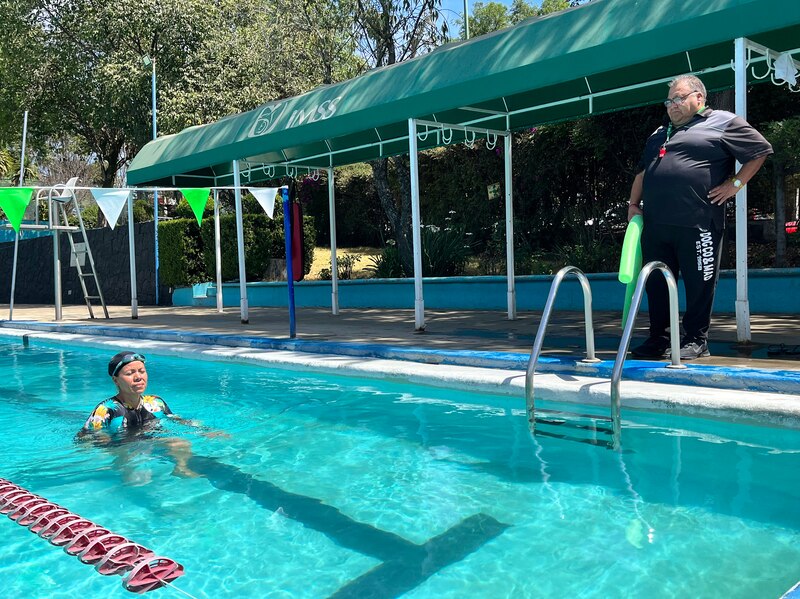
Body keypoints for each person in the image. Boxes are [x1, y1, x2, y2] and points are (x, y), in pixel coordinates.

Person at [628, 74, 773, 360]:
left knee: (699, 284)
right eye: (669, 100)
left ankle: (696, 340)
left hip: (698, 223)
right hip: (656, 225)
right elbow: (643, 171)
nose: (673, 105)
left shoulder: (723, 122)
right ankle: (659, 339)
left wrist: (734, 185)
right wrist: (633, 203)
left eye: (679, 98)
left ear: (699, 98)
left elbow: (759, 151)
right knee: (656, 283)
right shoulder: (659, 133)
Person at [78, 351, 209, 479]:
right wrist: (104, 443)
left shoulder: (155, 402)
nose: (138, 377)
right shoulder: (106, 410)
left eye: (142, 371)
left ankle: (181, 469)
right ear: (116, 380)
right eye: (130, 373)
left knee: (179, 443)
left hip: (150, 442)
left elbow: (175, 419)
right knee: (139, 478)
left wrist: (205, 431)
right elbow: (83, 439)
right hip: (124, 449)